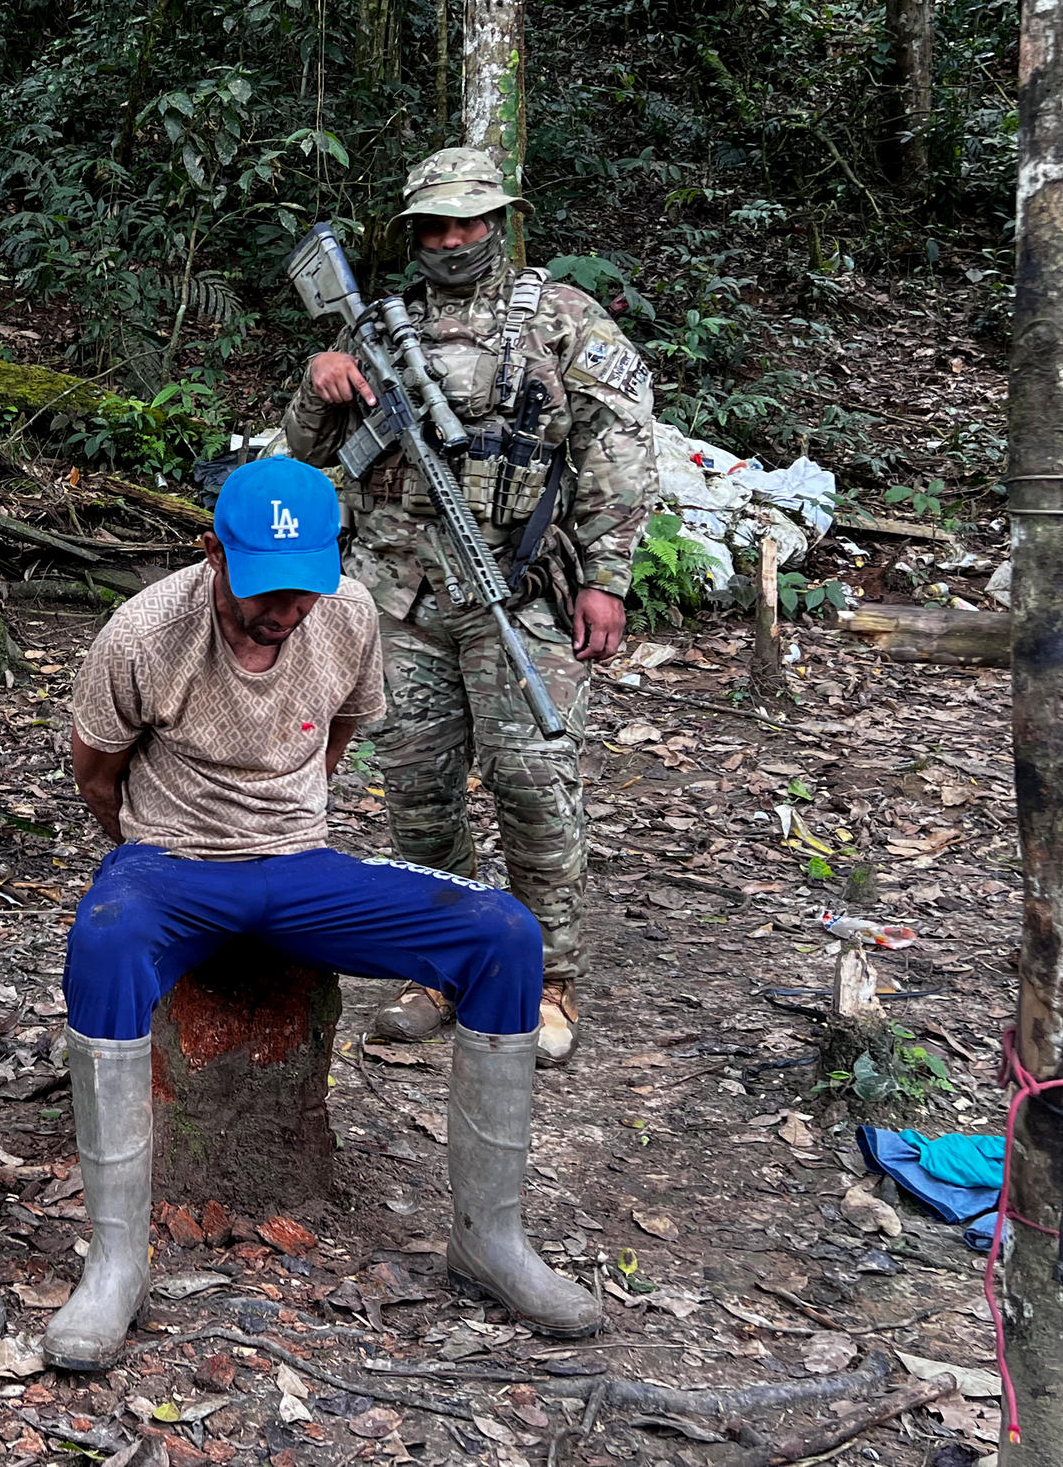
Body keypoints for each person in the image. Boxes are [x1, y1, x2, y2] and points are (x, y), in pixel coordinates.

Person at [45, 457, 601, 1370]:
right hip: (172, 866)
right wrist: (151, 851)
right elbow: (95, 772)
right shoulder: (145, 630)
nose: (283, 611)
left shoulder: (346, 615)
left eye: (301, 591)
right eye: (263, 590)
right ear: (215, 555)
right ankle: (116, 1261)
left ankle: (489, 1238)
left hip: (300, 867)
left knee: (504, 932)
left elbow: (342, 728)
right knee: (103, 940)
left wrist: (289, 825)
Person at [283, 148, 656, 1064]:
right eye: (436, 226)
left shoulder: (563, 319)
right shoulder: (375, 326)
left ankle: (546, 975)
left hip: (517, 590)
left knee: (534, 781)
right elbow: (298, 457)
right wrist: (318, 379)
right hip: (399, 600)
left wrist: (608, 578)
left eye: (470, 222)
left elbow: (621, 449)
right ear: (414, 233)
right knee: (417, 791)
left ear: (499, 221)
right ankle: (439, 961)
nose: (454, 241)